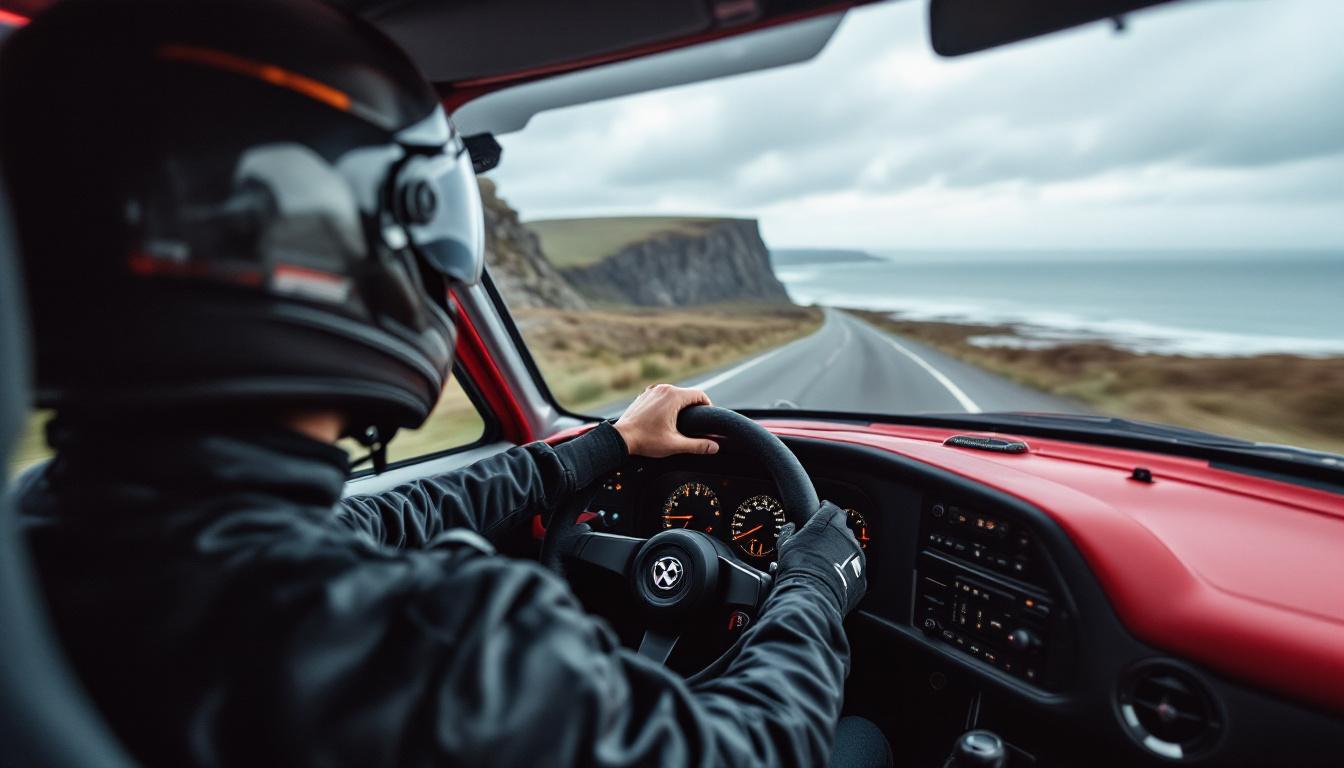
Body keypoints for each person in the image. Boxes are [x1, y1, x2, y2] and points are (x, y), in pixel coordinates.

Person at [1, 0, 887, 766]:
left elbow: (376, 517)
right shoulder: (431, 645)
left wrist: (609, 445)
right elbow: (761, 748)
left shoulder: (48, 525)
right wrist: (811, 584)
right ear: (365, 244)